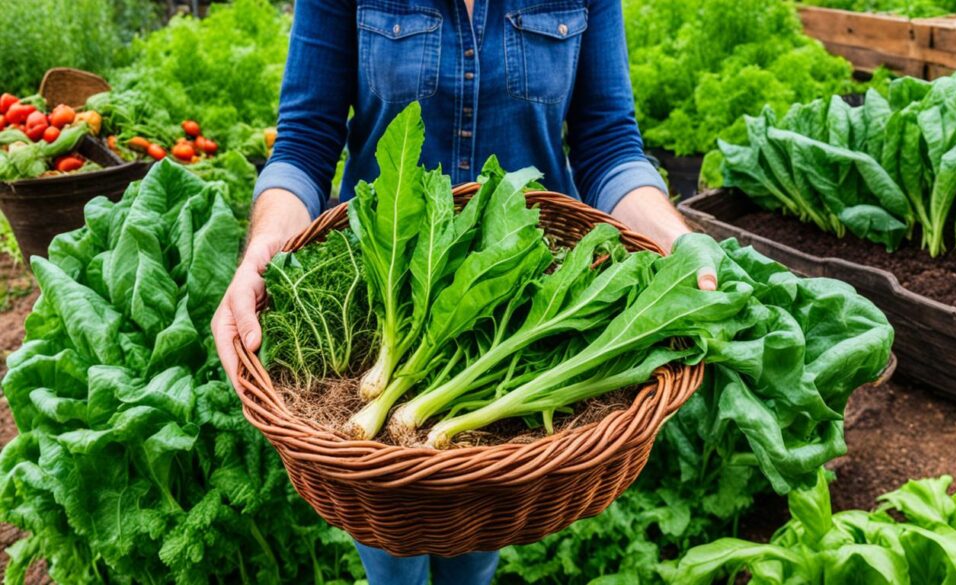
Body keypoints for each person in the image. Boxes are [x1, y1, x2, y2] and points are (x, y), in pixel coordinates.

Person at [212, 0, 716, 583]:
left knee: (477, 544)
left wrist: (680, 245)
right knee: (391, 546)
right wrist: (262, 248)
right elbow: (304, 141)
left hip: (522, 300)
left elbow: (609, 145)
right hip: (376, 307)